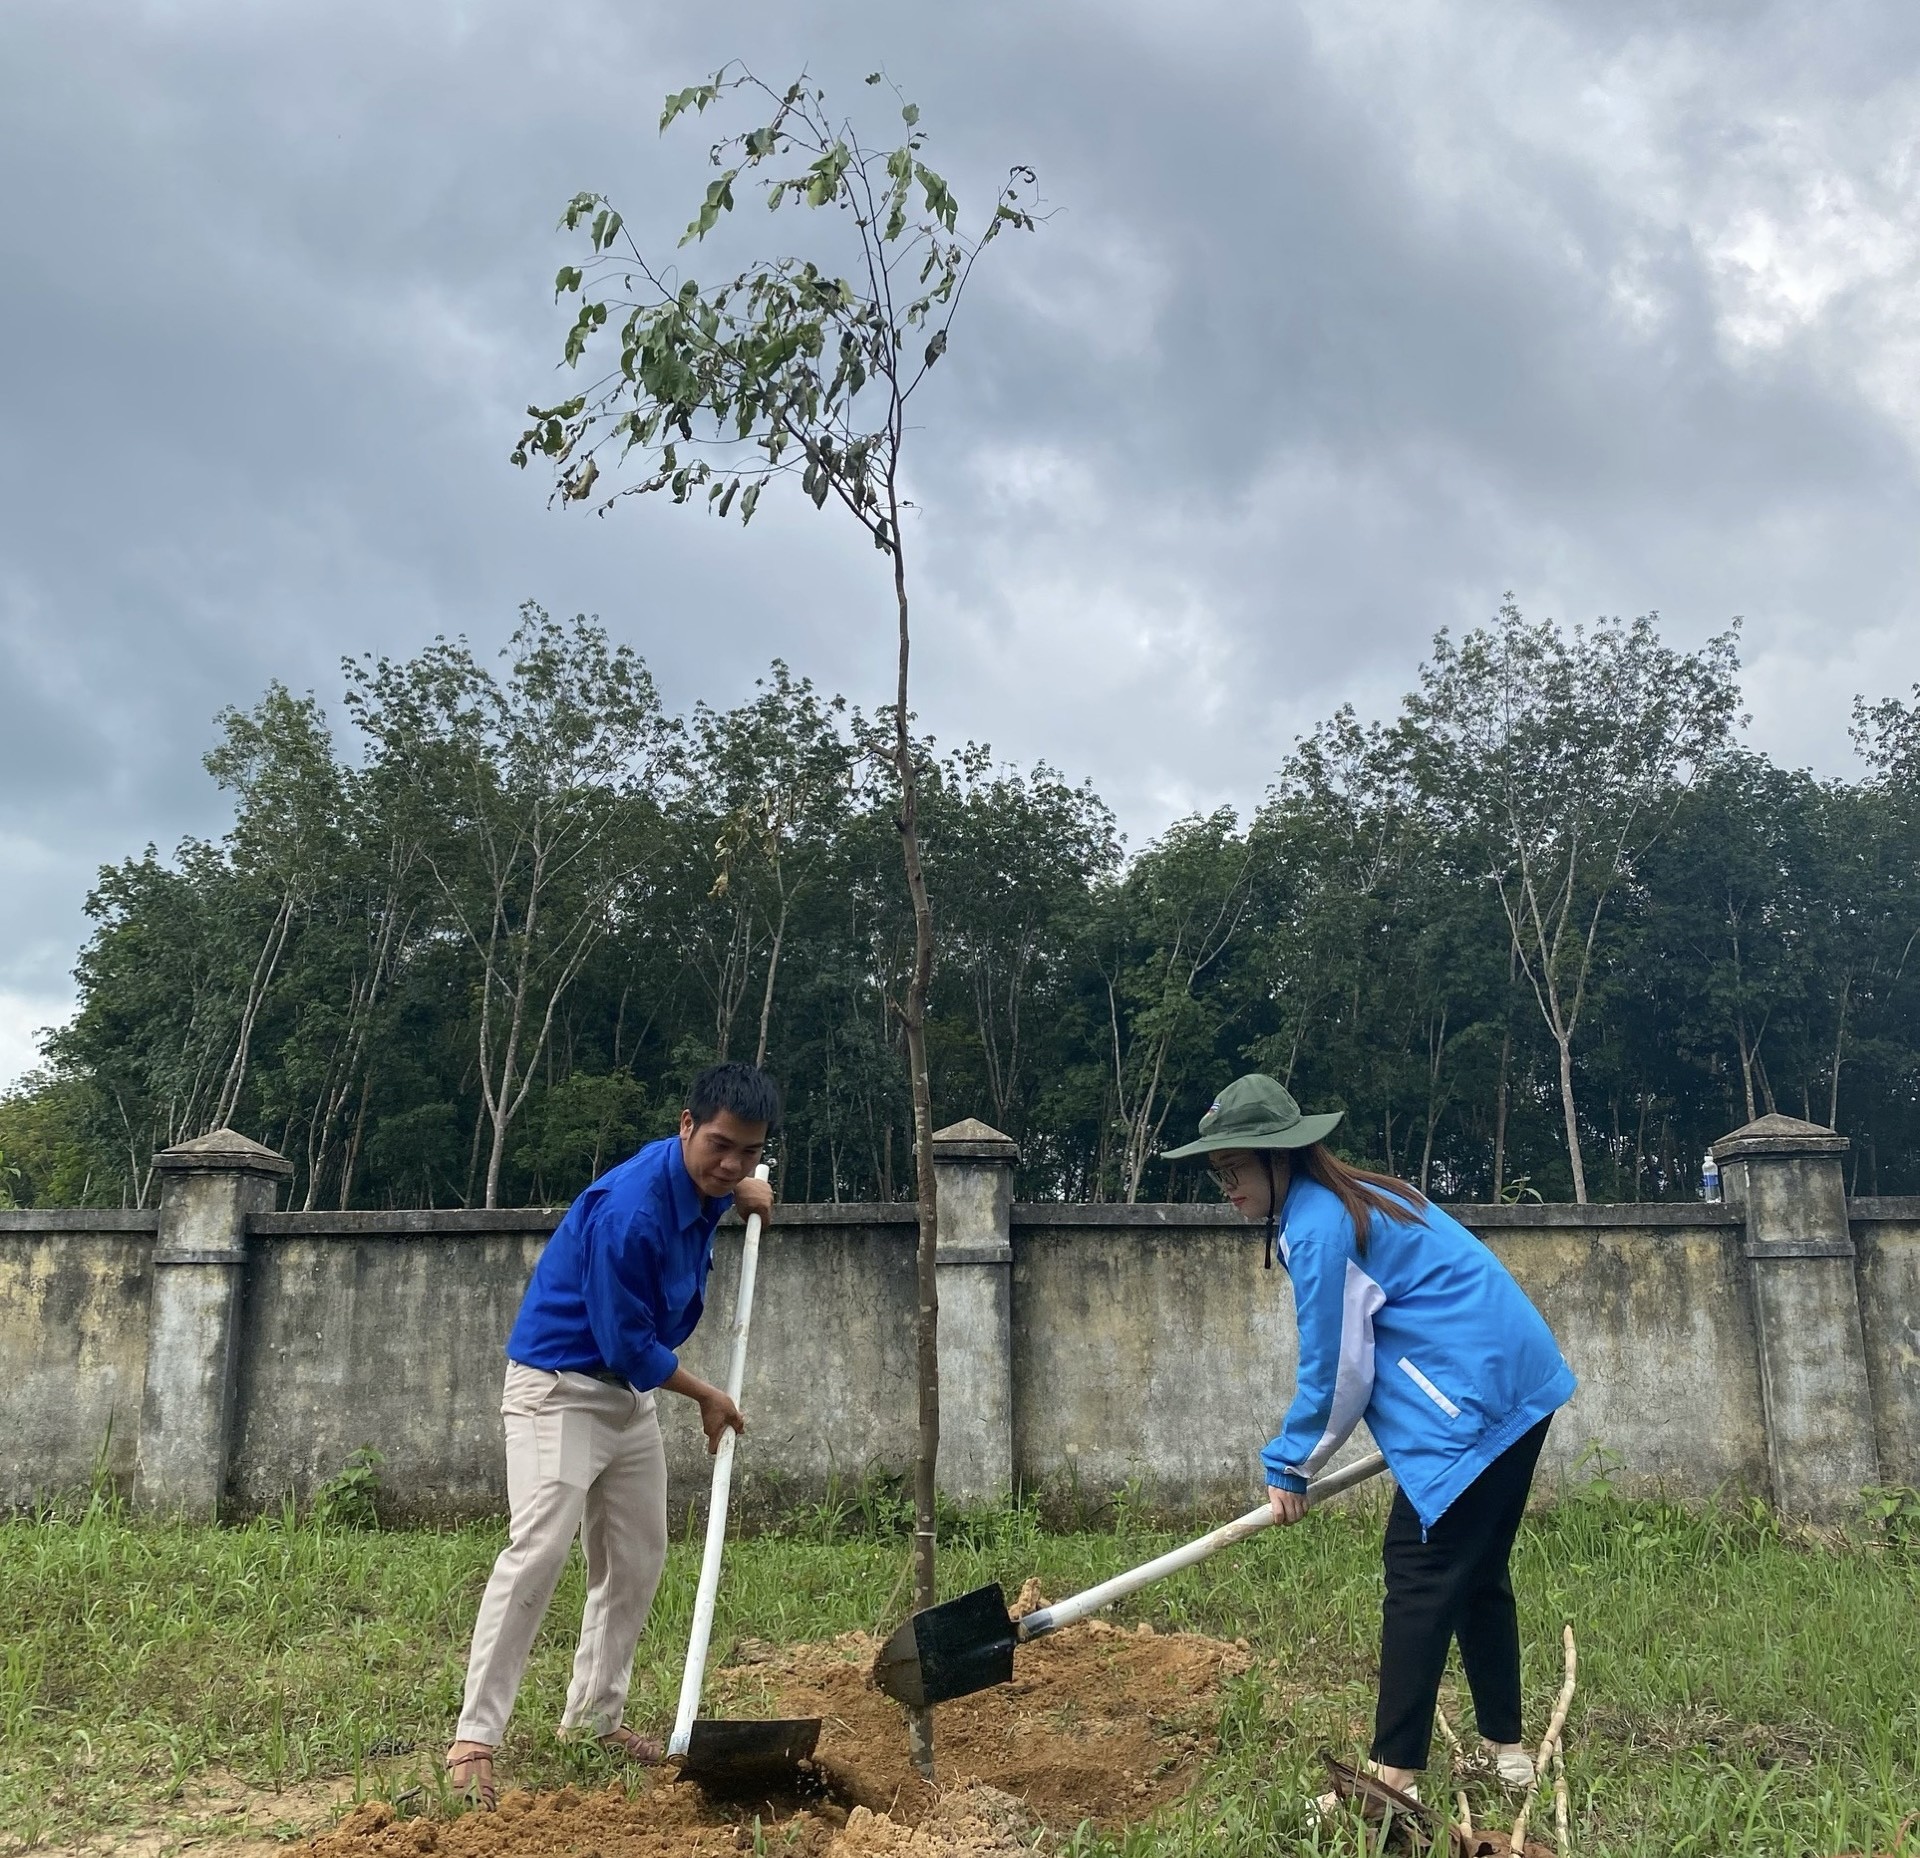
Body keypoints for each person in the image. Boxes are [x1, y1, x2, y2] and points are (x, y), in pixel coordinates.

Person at [1160, 1073, 1576, 1808]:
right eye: (1217, 1173)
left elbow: (1339, 1371)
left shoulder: (1322, 1229)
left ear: (1280, 1158)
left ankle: (1392, 1783)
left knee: (1419, 1570)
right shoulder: (1360, 1195)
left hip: (1477, 1400)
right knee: (1474, 1571)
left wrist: (1290, 1462)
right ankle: (1506, 1751)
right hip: (1514, 1381)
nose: (1225, 1186)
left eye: (1234, 1170)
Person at [444, 1061, 780, 1810]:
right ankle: (474, 1736)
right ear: (685, 1124)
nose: (732, 1165)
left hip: (627, 1399)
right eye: (720, 1145)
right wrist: (707, 1396)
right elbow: (628, 1343)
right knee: (538, 1550)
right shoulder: (631, 1207)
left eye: (749, 1153)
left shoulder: (702, 1189)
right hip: (559, 1391)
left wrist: (738, 1197)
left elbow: (703, 1207)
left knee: (635, 1556)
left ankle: (594, 1719)